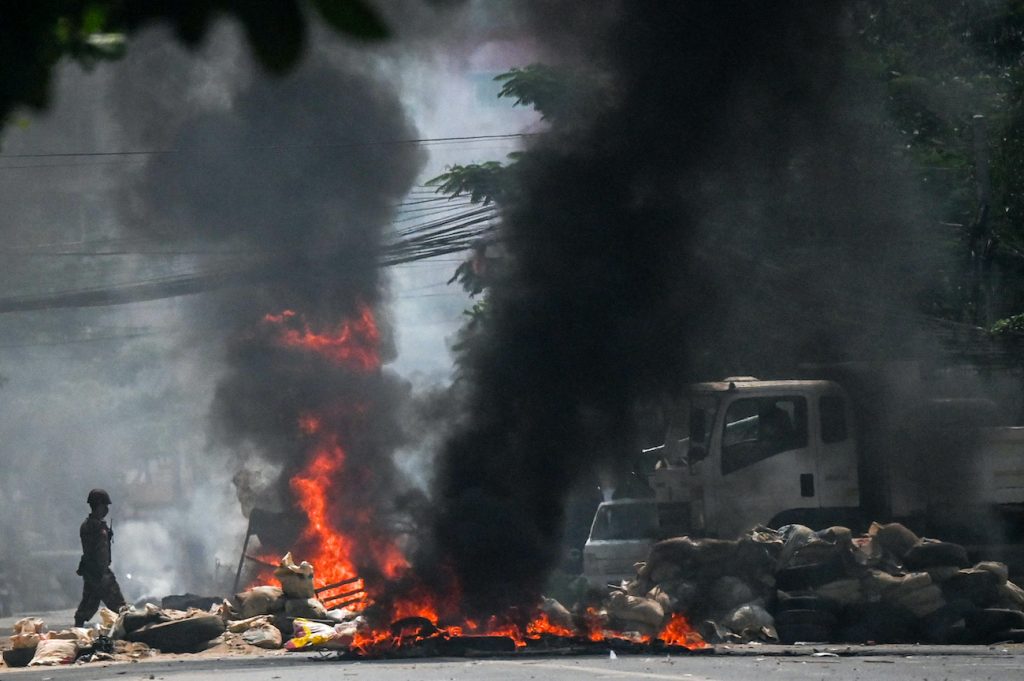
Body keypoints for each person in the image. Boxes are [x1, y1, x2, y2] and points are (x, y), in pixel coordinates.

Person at [74, 488, 126, 627]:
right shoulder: (97, 527)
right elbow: (100, 552)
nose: (107, 509)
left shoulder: (86, 525)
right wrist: (102, 572)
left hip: (90, 571)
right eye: (105, 506)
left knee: (88, 604)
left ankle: (76, 631)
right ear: (99, 505)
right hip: (100, 572)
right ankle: (129, 634)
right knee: (120, 608)